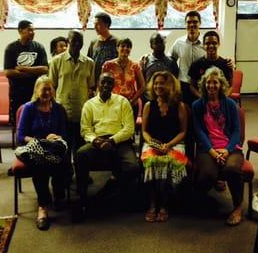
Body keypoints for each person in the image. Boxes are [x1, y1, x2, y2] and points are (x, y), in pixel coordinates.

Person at [74, 72, 139, 220]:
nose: (106, 86)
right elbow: (85, 130)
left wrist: (112, 141)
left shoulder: (122, 102)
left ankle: (111, 186)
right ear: (98, 83)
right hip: (98, 142)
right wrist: (96, 141)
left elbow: (129, 128)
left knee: (133, 167)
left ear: (113, 86)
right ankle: (83, 197)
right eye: (103, 82)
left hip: (120, 141)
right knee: (80, 154)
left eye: (109, 83)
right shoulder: (89, 104)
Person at [192, 67, 244, 226]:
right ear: (204, 85)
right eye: (208, 82)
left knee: (232, 169)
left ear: (221, 84)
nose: (211, 86)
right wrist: (213, 152)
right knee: (207, 174)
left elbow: (236, 130)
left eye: (215, 82)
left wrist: (227, 150)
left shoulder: (230, 104)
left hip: (230, 147)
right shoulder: (197, 105)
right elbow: (199, 131)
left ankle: (238, 207)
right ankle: (203, 201)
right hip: (208, 149)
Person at [17, 76, 68, 231]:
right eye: (43, 89)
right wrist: (39, 141)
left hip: (53, 147)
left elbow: (63, 134)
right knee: (40, 162)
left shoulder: (59, 109)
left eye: (49, 88)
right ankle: (43, 207)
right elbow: (20, 137)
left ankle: (58, 194)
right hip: (36, 148)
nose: (47, 92)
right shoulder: (29, 108)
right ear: (36, 90)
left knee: (59, 156)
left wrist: (56, 137)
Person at [141, 71, 188, 222]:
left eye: (162, 83)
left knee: (169, 163)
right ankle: (153, 204)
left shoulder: (179, 106)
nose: (158, 86)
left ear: (171, 86)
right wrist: (155, 144)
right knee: (151, 162)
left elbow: (183, 132)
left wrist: (168, 145)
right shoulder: (149, 105)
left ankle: (164, 205)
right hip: (153, 143)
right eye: (155, 83)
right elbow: (144, 132)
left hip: (174, 143)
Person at [49, 30, 95, 158]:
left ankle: (80, 174)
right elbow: (52, 86)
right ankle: (66, 175)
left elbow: (91, 87)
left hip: (82, 111)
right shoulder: (56, 61)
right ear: (68, 42)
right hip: (62, 111)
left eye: (79, 41)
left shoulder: (89, 63)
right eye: (73, 40)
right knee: (64, 146)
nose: (76, 44)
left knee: (80, 147)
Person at [4, 20, 48, 126]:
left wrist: (24, 69)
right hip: (17, 93)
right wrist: (34, 72)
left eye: (33, 30)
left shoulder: (39, 47)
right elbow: (8, 72)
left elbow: (45, 69)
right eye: (29, 30)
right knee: (18, 122)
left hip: (35, 92)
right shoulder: (11, 48)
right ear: (20, 31)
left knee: (35, 122)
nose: (32, 32)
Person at [102, 38, 145, 118]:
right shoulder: (108, 65)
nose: (125, 48)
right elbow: (101, 85)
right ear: (117, 48)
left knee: (130, 129)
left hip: (131, 104)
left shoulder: (135, 66)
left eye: (128, 47)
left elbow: (142, 86)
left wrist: (132, 100)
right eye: (123, 46)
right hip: (113, 104)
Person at [169, 11, 205, 105]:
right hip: (184, 85)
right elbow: (169, 59)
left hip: (201, 85)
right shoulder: (179, 42)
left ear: (200, 23)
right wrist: (148, 56)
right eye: (189, 22)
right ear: (185, 24)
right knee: (184, 113)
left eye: (195, 22)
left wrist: (229, 61)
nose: (192, 24)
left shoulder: (206, 42)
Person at [188, 30, 233, 100]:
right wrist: (201, 98)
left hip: (220, 103)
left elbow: (231, 86)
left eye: (214, 43)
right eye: (207, 43)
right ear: (203, 45)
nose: (211, 46)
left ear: (218, 44)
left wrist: (223, 98)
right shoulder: (196, 64)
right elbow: (192, 86)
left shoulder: (226, 64)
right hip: (202, 103)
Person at [139, 32, 178, 102]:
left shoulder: (172, 62)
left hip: (168, 100)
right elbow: (141, 82)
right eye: (156, 43)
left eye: (161, 42)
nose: (159, 45)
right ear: (151, 46)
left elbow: (175, 82)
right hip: (148, 99)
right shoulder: (145, 61)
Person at [87, 12, 119, 84]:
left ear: (106, 24)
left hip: (111, 82)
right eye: (94, 24)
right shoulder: (93, 43)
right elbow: (89, 63)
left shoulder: (117, 42)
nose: (95, 27)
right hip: (95, 81)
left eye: (98, 24)